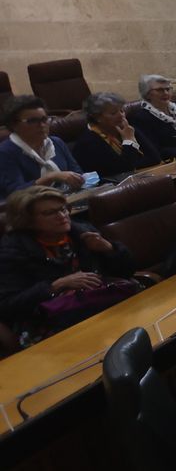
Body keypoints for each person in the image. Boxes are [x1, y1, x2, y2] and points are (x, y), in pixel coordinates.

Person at [0, 185, 136, 346]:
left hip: (98, 306)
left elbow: (127, 271)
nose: (62, 216)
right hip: (47, 323)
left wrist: (109, 249)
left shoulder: (82, 233)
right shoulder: (12, 251)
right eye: (49, 213)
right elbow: (7, 305)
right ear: (27, 220)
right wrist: (56, 286)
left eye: (63, 209)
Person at [0, 96, 84, 195]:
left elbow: (78, 173)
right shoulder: (5, 152)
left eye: (44, 119)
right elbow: (16, 193)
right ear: (14, 125)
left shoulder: (56, 142)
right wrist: (50, 177)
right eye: (32, 121)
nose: (42, 125)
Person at [71, 92, 160, 179]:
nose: (121, 116)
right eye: (113, 113)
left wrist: (134, 163)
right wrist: (129, 140)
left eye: (122, 111)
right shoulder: (88, 143)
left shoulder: (126, 128)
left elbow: (154, 158)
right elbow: (123, 169)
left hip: (140, 177)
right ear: (97, 117)